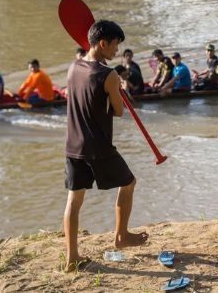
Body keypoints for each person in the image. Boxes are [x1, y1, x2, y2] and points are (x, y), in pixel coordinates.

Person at [63, 20, 146, 272]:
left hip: (72, 145)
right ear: (102, 43)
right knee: (129, 183)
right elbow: (119, 111)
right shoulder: (108, 75)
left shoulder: (73, 66)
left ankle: (72, 258)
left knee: (74, 201)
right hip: (98, 146)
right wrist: (118, 89)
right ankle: (121, 236)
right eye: (114, 46)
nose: (116, 51)